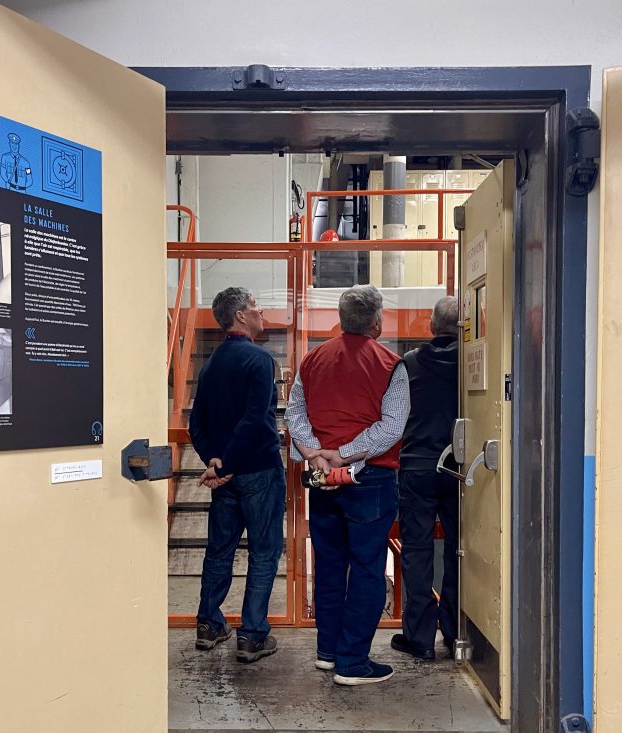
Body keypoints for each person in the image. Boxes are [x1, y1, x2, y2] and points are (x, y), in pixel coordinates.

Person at [285, 284, 409, 686]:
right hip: (369, 478)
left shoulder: (312, 360)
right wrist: (347, 454)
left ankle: (327, 651)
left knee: (330, 563)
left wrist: (315, 453)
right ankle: (352, 662)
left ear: (340, 320)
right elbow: (391, 426)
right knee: (368, 568)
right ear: (377, 322)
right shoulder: (392, 365)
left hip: (321, 478)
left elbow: (295, 413)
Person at [188, 287, 285, 663]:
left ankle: (209, 624)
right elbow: (253, 421)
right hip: (258, 471)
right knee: (264, 553)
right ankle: (252, 636)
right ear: (241, 316)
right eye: (255, 306)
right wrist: (225, 465)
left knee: (219, 551)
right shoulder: (260, 361)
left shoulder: (210, 364)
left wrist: (214, 461)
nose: (261, 312)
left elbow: (197, 421)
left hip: (224, 478)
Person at [392, 296, 460, 661]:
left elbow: (395, 416)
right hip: (460, 467)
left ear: (432, 326)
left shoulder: (410, 364)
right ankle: (455, 632)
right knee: (459, 550)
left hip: (417, 466)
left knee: (416, 551)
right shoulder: (472, 361)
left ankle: (419, 639)